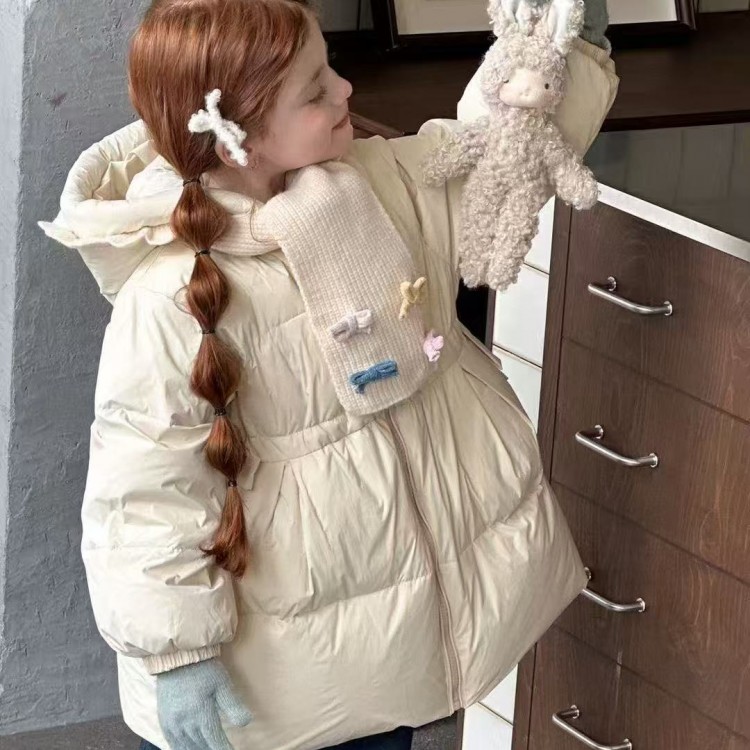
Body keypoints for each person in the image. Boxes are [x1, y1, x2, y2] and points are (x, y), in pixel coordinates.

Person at [38, 1, 618, 749]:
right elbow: (144, 495)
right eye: (315, 90)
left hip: (395, 645)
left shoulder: (378, 185)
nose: (344, 90)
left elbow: (502, 149)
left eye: (331, 68)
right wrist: (178, 653)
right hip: (279, 674)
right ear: (238, 135)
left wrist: (568, 47)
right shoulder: (168, 299)